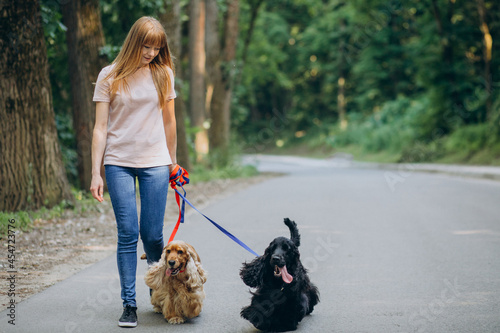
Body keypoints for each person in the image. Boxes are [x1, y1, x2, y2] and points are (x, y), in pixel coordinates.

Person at [90, 16, 177, 328]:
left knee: (153, 236)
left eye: (157, 47)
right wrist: (95, 172)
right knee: (127, 233)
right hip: (118, 162)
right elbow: (100, 128)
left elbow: (169, 122)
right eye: (146, 45)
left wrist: (173, 162)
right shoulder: (109, 75)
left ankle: (161, 292)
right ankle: (129, 303)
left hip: (156, 161)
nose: (151, 52)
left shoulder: (163, 74)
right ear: (133, 42)